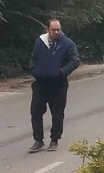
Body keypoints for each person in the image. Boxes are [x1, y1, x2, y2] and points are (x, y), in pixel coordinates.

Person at [28, 19, 80, 153]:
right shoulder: (40, 42)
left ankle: (54, 140)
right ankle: (38, 140)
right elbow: (34, 57)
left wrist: (61, 73)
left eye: (58, 29)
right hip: (41, 84)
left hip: (58, 85)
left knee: (57, 113)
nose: (56, 32)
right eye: (53, 30)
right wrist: (33, 70)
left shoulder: (67, 44)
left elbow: (75, 61)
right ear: (47, 29)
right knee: (35, 111)